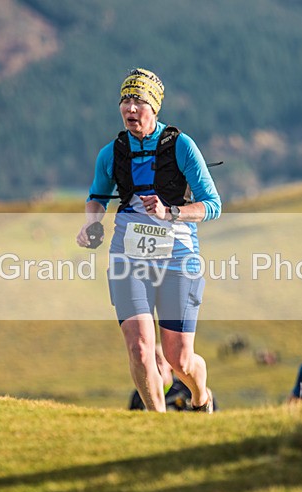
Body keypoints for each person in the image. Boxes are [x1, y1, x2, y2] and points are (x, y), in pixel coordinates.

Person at [77, 68, 221, 412]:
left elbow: (213, 205)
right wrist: (92, 224)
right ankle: (158, 424)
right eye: (125, 100)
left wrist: (170, 211)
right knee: (141, 348)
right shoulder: (111, 153)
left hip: (178, 257)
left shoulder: (181, 146)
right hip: (129, 256)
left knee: (179, 359)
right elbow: (97, 195)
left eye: (138, 101)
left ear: (154, 107)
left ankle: (201, 398)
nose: (130, 108)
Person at [128, 344, 218, 411]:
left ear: (170, 366)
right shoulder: (139, 394)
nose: (154, 366)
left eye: (159, 361)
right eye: (151, 362)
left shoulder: (186, 389)